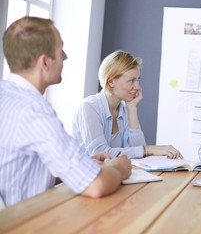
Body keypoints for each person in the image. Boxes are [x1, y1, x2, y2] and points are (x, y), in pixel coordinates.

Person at [0, 16, 132, 207]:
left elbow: (16, 170)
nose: (65, 56)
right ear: (45, 62)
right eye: (60, 50)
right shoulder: (34, 110)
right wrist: (118, 168)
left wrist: (82, 164)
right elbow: (96, 185)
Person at [72, 50, 182, 159]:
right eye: (131, 81)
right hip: (89, 175)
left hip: (114, 173)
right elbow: (100, 154)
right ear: (111, 82)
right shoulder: (88, 108)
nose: (137, 87)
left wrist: (132, 107)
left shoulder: (124, 109)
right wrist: (148, 149)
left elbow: (138, 152)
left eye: (138, 80)